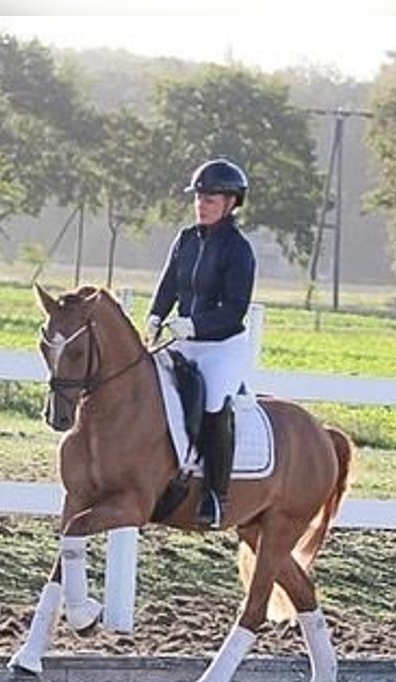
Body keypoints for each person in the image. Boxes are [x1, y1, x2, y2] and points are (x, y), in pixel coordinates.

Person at [147, 157, 256, 529]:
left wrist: (194, 325)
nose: (202, 204)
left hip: (221, 346)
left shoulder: (238, 250)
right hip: (181, 337)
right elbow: (168, 286)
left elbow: (234, 310)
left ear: (230, 203)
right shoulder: (185, 240)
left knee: (212, 403)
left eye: (210, 198)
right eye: (199, 197)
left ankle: (214, 493)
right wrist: (155, 316)